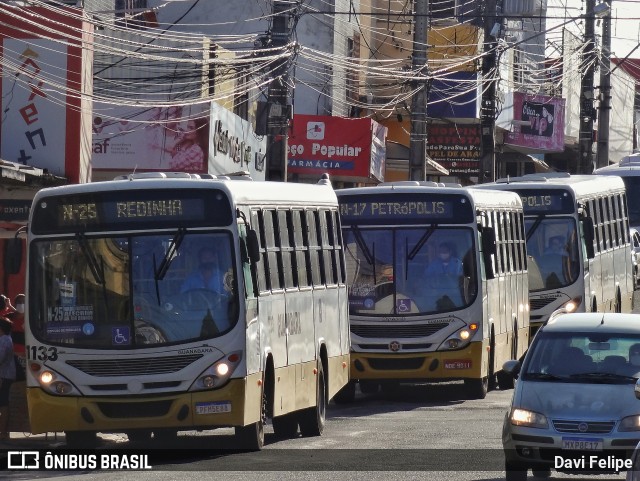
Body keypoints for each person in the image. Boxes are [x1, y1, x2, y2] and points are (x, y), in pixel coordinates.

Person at [424, 242, 464, 309]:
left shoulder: (458, 263)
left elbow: (461, 278)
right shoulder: (434, 263)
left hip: (455, 295)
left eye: (445, 251)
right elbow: (426, 276)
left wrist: (451, 277)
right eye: (441, 252)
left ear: (450, 252)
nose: (442, 254)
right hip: (438, 294)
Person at [0, 316, 15, 441]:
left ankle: (3, 431)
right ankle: (4, 431)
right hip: (6, 374)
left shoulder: (3, 340)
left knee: (3, 403)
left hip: (3, 375)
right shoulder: (7, 339)